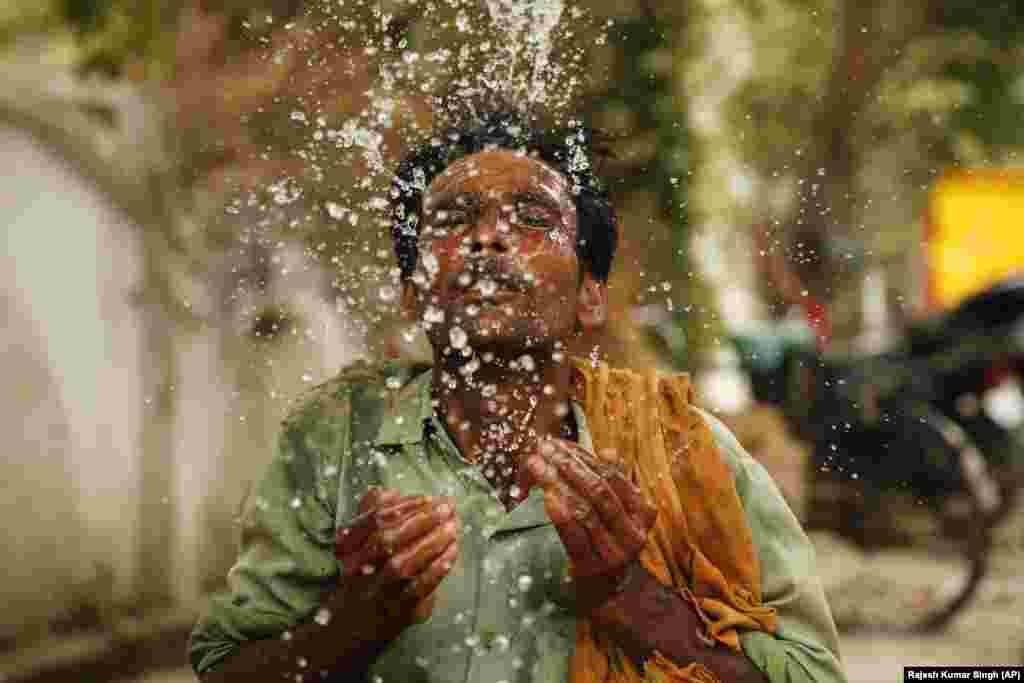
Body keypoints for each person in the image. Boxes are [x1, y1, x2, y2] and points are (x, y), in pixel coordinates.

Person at [189, 111, 846, 683]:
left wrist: (634, 593)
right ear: (414, 292)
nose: (488, 237)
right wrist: (350, 622)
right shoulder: (332, 442)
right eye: (450, 219)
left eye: (533, 218)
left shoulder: (684, 451)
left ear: (591, 294)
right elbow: (224, 668)